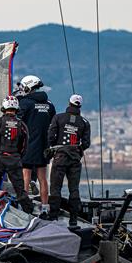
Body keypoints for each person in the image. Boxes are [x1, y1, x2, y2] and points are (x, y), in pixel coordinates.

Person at [46, 94, 91, 226]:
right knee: (74, 189)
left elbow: (51, 136)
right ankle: (73, 219)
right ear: (80, 106)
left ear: (69, 103)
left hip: (60, 157)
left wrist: (55, 148)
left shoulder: (58, 117)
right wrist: (77, 150)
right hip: (75, 159)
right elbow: (86, 143)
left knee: (55, 187)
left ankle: (53, 216)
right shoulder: (84, 122)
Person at [16, 75, 56, 207]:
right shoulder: (49, 104)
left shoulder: (25, 103)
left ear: (28, 87)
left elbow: (18, 121)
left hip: (29, 146)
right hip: (44, 146)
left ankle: (24, 206)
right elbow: (52, 123)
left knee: (25, 176)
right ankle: (45, 206)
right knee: (43, 178)